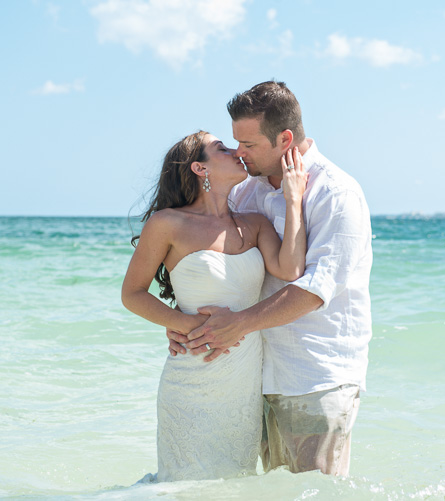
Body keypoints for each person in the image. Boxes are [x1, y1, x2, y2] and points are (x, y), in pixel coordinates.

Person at [169, 81, 373, 476]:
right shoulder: (248, 192)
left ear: (284, 138)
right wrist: (187, 322)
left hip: (316, 376)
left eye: (249, 145)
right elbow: (219, 263)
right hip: (254, 375)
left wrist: (237, 324)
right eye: (235, 144)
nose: (240, 155)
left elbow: (315, 290)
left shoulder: (337, 193)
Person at [121, 130, 307, 482]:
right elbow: (132, 293)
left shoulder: (254, 224)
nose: (236, 151)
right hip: (193, 370)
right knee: (185, 482)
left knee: (233, 482)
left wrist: (293, 199)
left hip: (243, 377)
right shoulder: (168, 223)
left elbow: (292, 269)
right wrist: (185, 324)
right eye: (221, 148)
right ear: (199, 168)